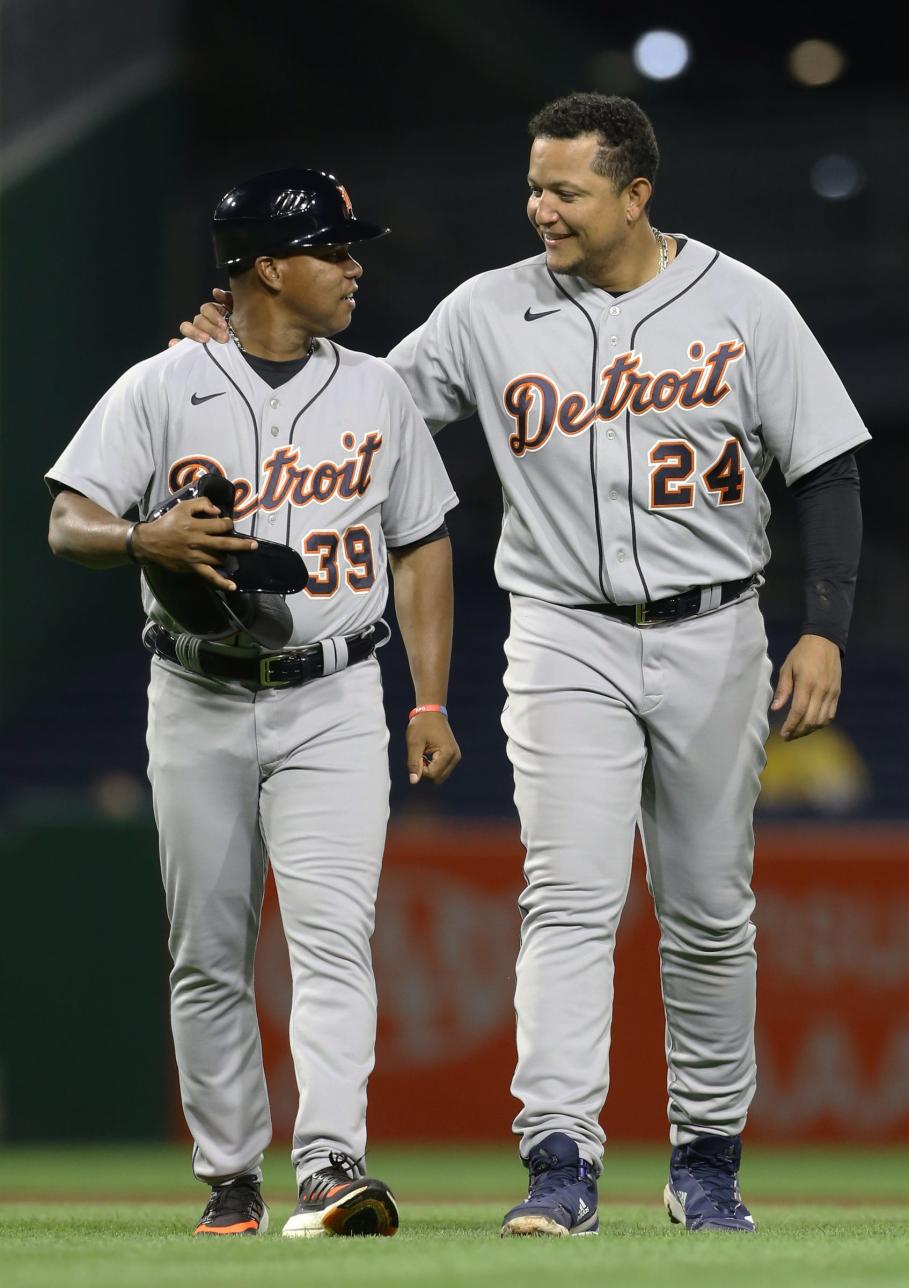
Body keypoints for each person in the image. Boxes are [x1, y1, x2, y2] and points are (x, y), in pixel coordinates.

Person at [182, 94, 868, 1236]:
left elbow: (829, 468)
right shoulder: (488, 311)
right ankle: (561, 1162)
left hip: (717, 628)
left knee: (707, 911)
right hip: (561, 629)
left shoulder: (744, 303)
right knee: (567, 897)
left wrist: (825, 626)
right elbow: (357, 411)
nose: (540, 207)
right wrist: (241, 359)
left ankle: (707, 1161)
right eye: (535, 186)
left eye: (567, 191)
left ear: (637, 194)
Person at [48, 168, 461, 1239]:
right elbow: (68, 521)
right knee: (209, 944)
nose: (355, 264)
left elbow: (420, 544)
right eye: (333, 248)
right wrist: (143, 536)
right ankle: (232, 1173)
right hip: (195, 690)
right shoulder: (164, 383)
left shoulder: (377, 389)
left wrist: (430, 700)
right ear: (268, 267)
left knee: (334, 939)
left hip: (336, 692)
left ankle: (329, 1162)